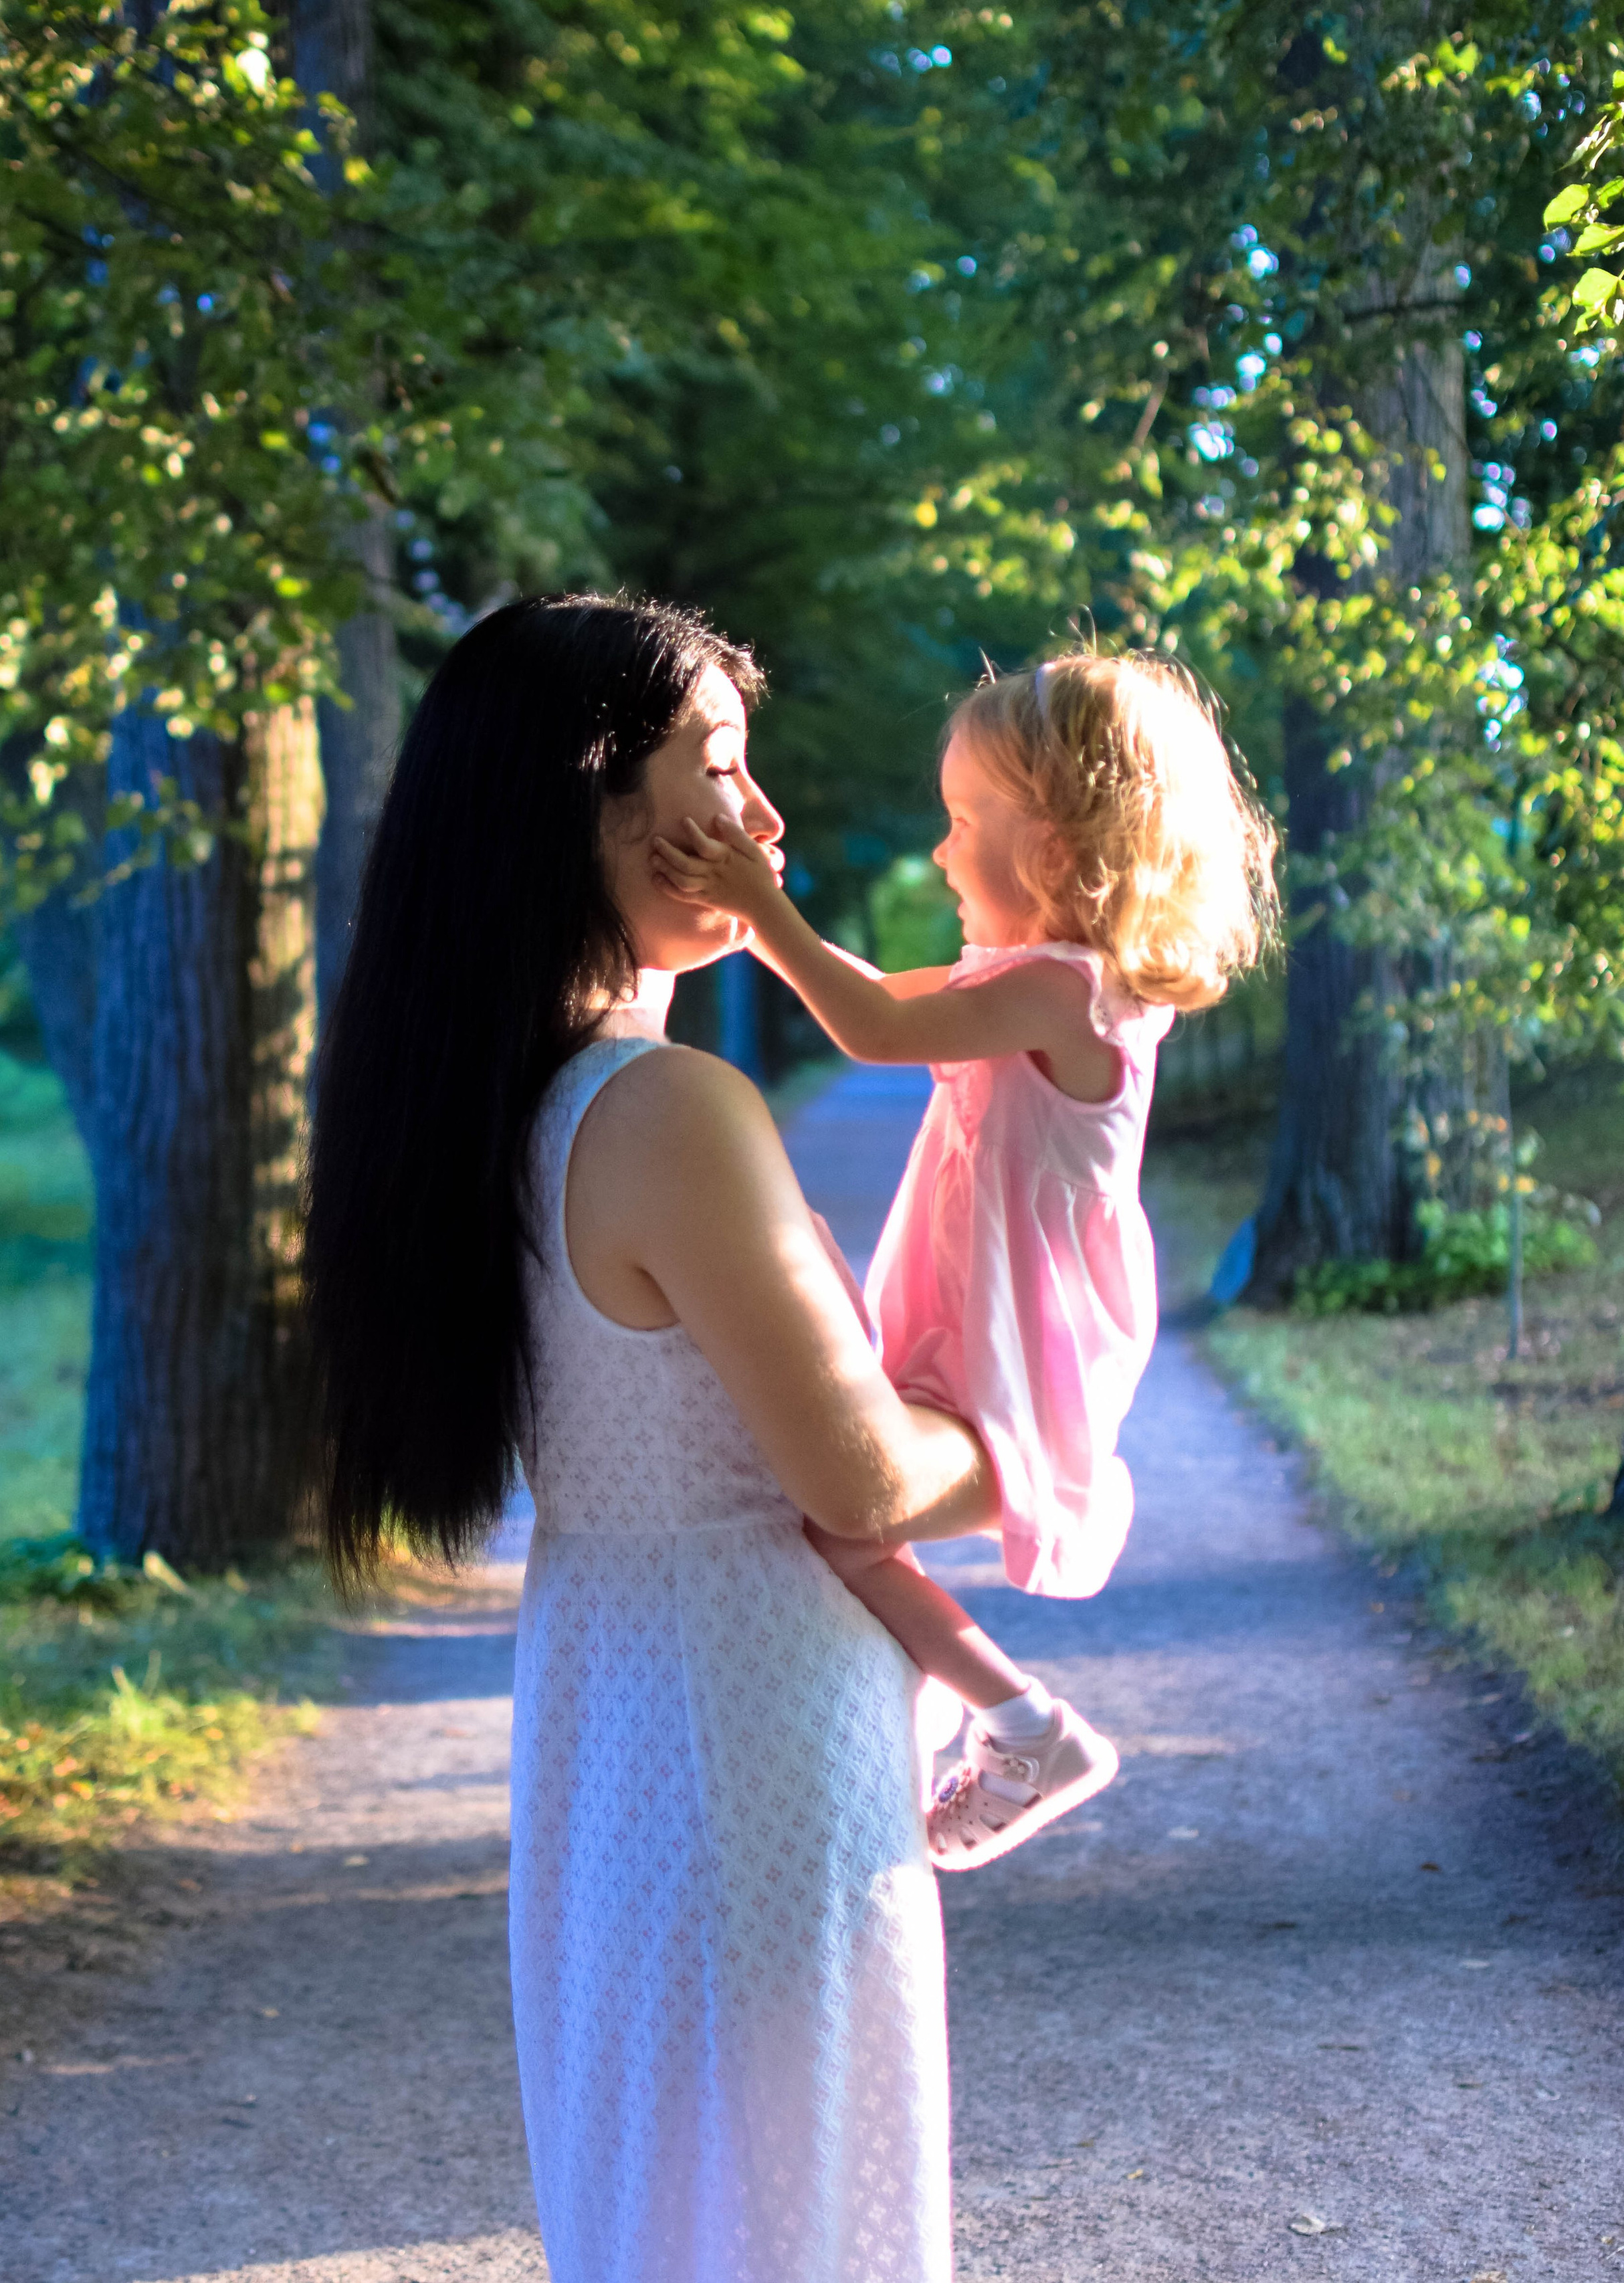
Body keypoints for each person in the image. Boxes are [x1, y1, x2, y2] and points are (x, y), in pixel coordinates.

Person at [304, 594, 1001, 2283]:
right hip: (745, 1731)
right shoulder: (665, 1111)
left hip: (620, 1709)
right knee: (788, 2218)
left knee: (667, 2208)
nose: (758, 823)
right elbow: (857, 1475)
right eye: (719, 772)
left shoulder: (505, 1108)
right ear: (583, 804)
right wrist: (1048, 1445)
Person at [651, 650, 1278, 1870]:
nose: (940, 853)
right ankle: (957, 1693)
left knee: (839, 1516)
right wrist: (743, 924)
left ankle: (1021, 1723)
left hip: (1019, 1360)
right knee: (832, 1499)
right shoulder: (1024, 981)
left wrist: (761, 909)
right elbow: (876, 991)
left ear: (1049, 851)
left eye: (959, 822)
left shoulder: (1069, 995)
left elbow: (874, 1024)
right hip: (971, 1326)